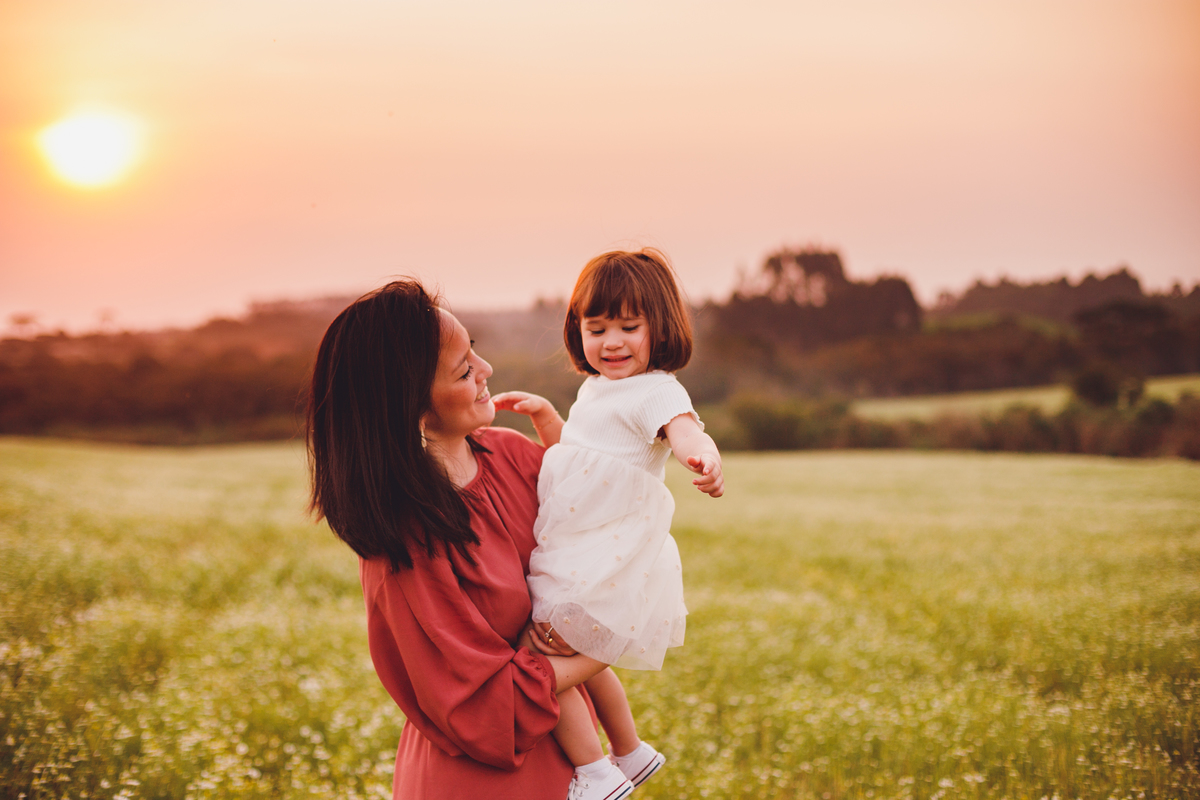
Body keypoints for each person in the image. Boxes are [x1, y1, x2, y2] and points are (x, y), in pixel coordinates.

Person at [307, 279, 608, 800]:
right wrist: (609, 644)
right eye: (465, 370)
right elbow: (479, 706)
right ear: (411, 405)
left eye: (477, 354)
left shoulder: (510, 454)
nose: (486, 371)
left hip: (576, 764)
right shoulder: (404, 541)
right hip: (482, 781)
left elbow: (598, 526)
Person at [498, 249, 724, 800]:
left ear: (660, 327)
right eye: (596, 328)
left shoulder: (657, 390)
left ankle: (596, 773)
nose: (612, 342)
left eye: (629, 326)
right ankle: (630, 750)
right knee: (579, 659)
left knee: (539, 657)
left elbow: (685, 428)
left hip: (602, 560)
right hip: (577, 553)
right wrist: (549, 420)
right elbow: (577, 464)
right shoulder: (597, 390)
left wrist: (703, 455)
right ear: (577, 332)